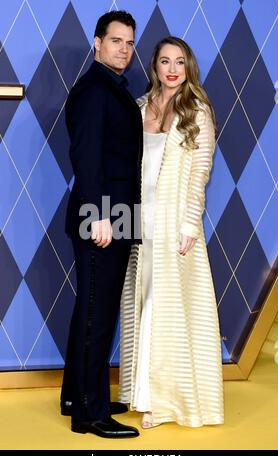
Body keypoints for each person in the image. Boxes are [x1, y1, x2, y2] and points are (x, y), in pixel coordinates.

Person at [119, 37, 224, 429]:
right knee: (141, 306)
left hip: (173, 223)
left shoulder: (197, 110)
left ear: (189, 66)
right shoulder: (139, 107)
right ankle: (141, 393)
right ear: (155, 67)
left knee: (165, 311)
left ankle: (165, 402)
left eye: (180, 61)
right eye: (165, 61)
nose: (173, 69)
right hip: (138, 221)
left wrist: (189, 224)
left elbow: (200, 173)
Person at [61, 11, 143, 438]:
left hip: (117, 213)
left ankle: (77, 395)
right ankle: (89, 414)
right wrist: (99, 218)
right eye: (116, 41)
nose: (124, 49)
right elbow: (86, 158)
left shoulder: (110, 87)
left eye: (130, 43)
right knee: (97, 312)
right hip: (105, 217)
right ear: (97, 43)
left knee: (92, 309)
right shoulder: (95, 90)